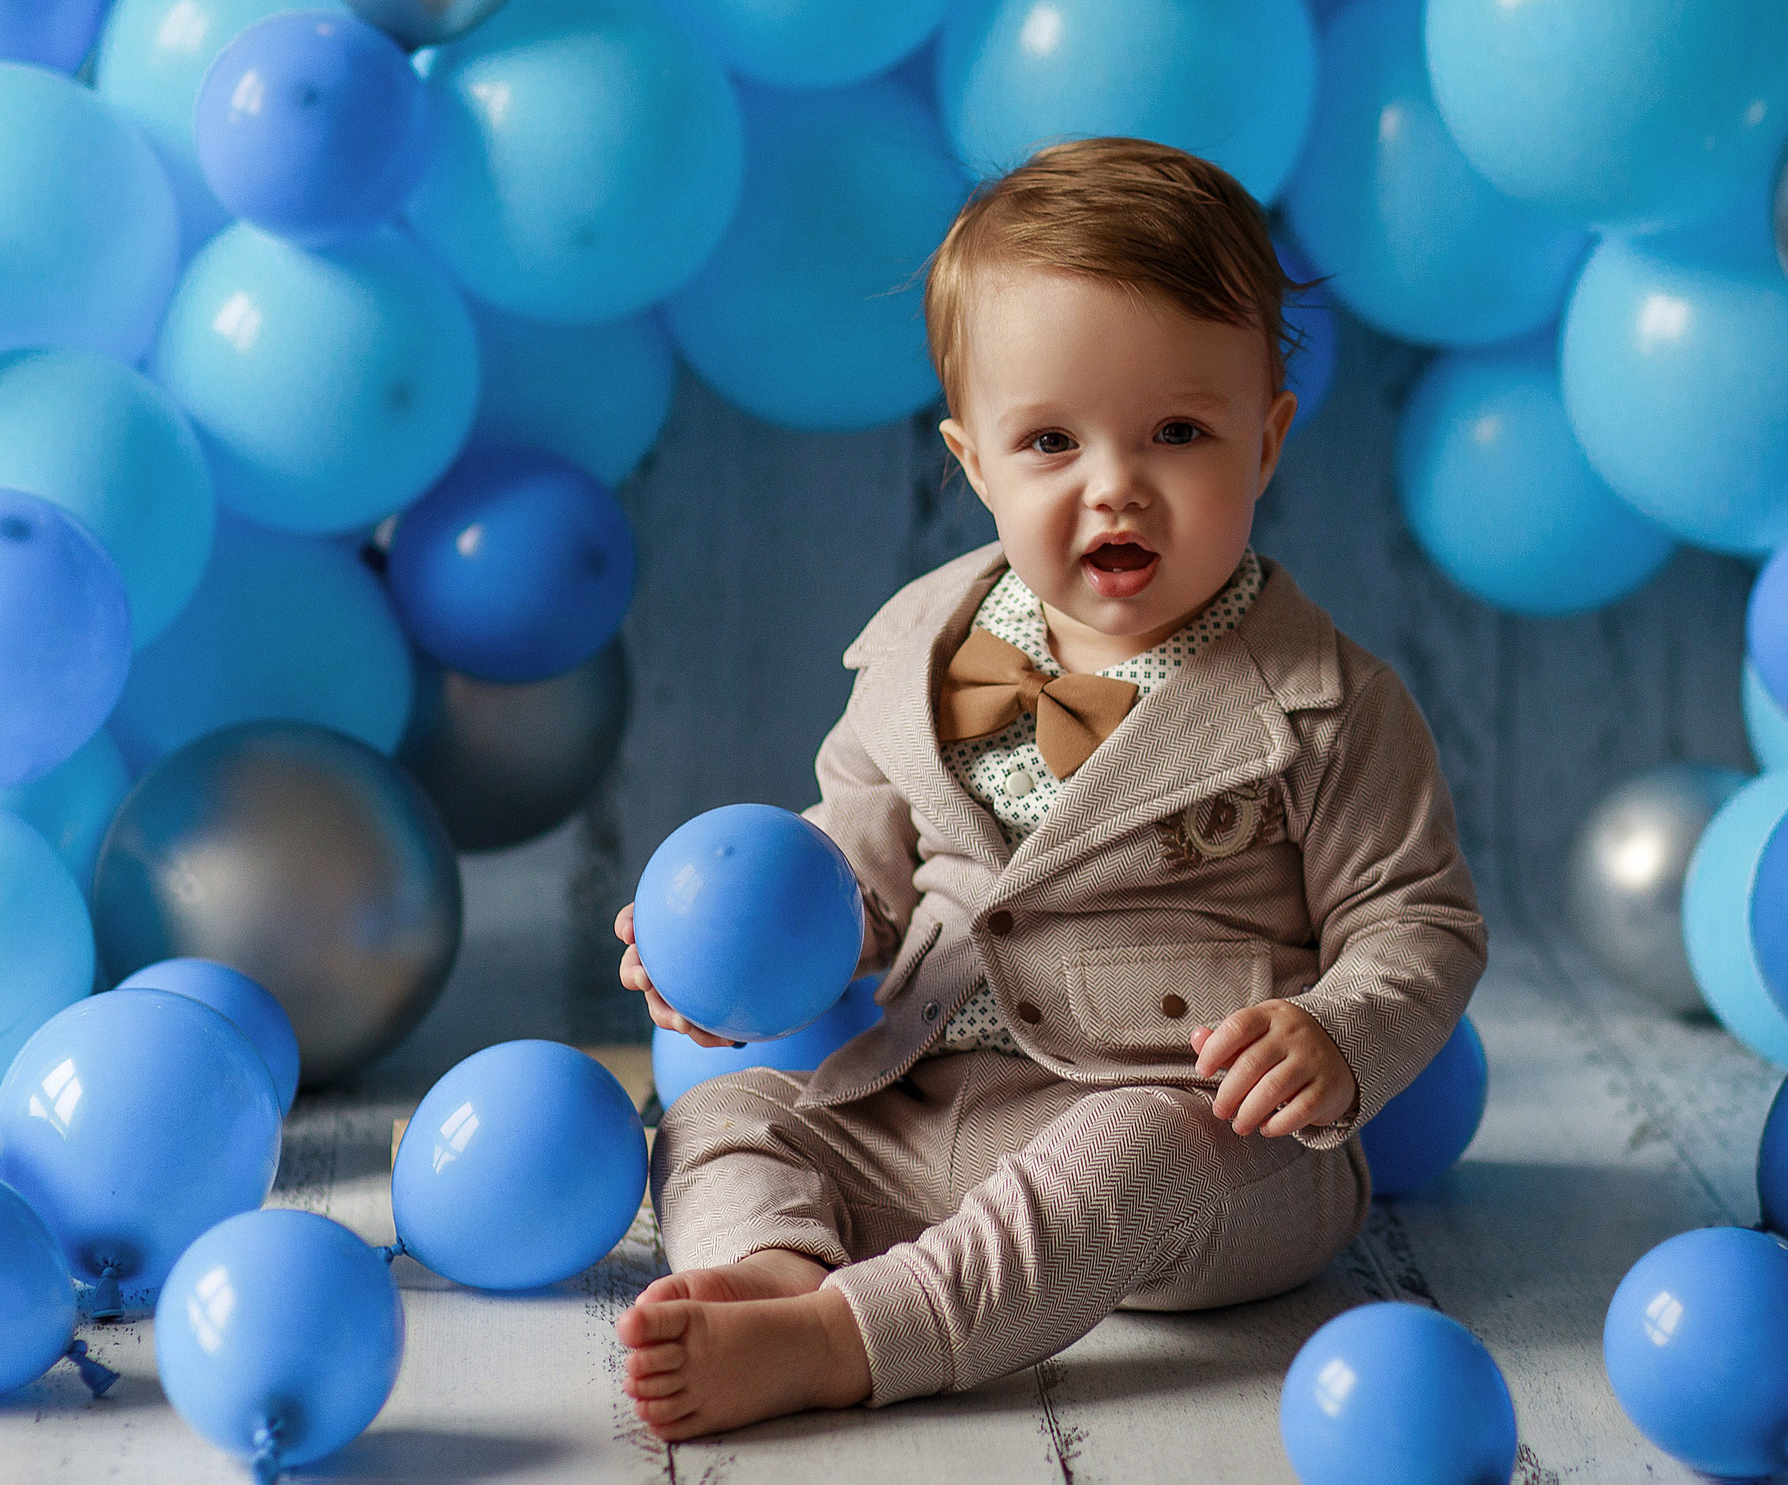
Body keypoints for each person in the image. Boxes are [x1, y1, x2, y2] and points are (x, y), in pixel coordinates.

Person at [613, 137, 1487, 1439]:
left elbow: (1417, 919)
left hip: (1202, 1139)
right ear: (974, 462)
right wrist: (736, 954)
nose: (1115, 484)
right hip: (919, 1095)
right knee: (729, 1114)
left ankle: (852, 1340)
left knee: (1124, 1155)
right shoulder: (917, 651)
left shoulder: (1325, 701)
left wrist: (1337, 1035)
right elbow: (856, 864)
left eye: (1178, 432)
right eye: (1051, 442)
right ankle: (771, 1266)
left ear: (1269, 436)